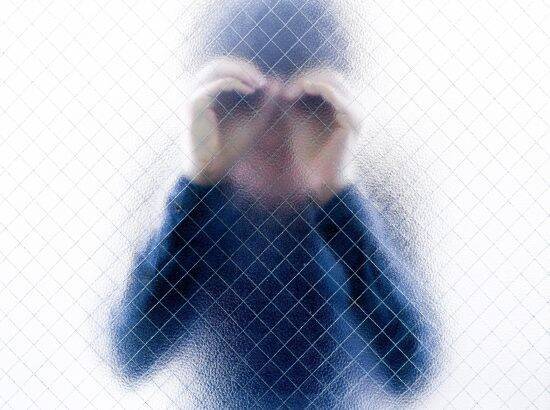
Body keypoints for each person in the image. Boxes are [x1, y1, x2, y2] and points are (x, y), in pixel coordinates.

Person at [111, 0, 435, 407]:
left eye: (307, 102)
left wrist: (337, 195)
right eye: (240, 99)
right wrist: (199, 184)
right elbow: (133, 353)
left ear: (337, 107)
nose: (271, 124)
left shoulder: (376, 190)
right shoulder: (184, 190)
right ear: (208, 106)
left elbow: (408, 370)